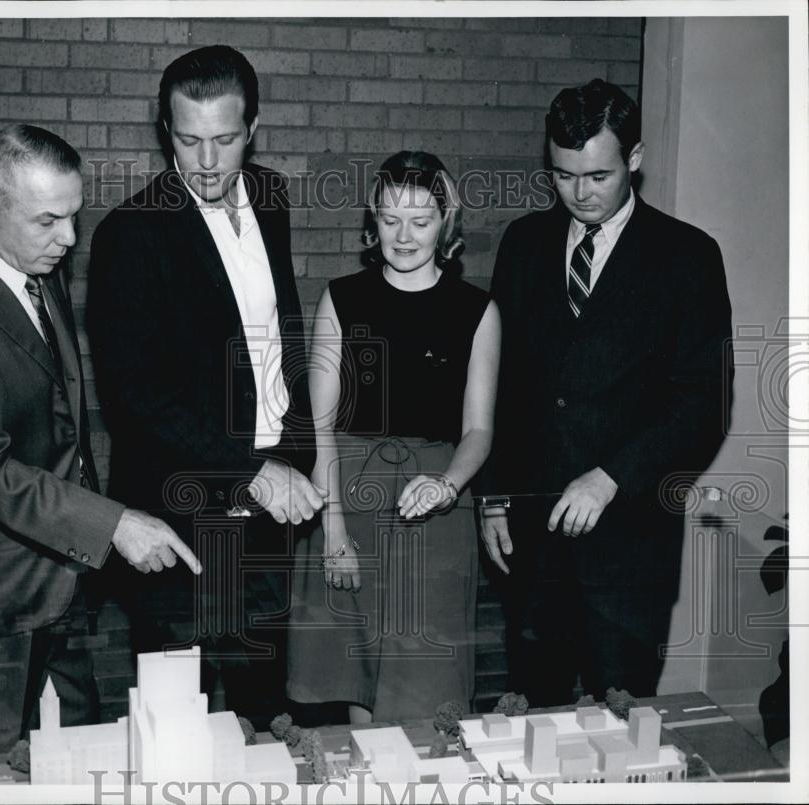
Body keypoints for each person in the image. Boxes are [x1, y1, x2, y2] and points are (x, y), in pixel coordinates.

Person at [0, 124, 200, 757]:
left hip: (58, 583)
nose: (68, 238)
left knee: (76, 760)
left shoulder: (35, 268)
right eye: (47, 221)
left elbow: (59, 425)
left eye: (72, 216)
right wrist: (112, 523)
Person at [87, 46, 319, 727]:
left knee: (264, 705)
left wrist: (296, 445)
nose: (208, 162)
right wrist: (254, 469)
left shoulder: (271, 195)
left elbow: (281, 328)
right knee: (174, 720)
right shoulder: (129, 235)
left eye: (224, 139)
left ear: (253, 128)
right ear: (166, 130)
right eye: (189, 140)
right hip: (178, 512)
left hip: (272, 502)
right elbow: (135, 396)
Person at [484, 79, 733, 706]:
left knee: (623, 734)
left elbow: (704, 406)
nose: (581, 193)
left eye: (598, 175)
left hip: (631, 550)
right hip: (533, 545)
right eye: (564, 176)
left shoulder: (689, 258)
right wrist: (491, 498)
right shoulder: (523, 245)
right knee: (530, 725)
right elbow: (498, 388)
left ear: (636, 159)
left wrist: (610, 477)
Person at [286, 151, 501, 723]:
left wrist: (448, 485)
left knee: (425, 688)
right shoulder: (342, 298)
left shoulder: (477, 310)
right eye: (390, 218)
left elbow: (479, 430)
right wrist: (331, 529)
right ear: (373, 222)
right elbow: (320, 421)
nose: (404, 235)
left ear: (446, 225)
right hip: (347, 500)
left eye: (422, 220)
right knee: (357, 682)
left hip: (433, 513)